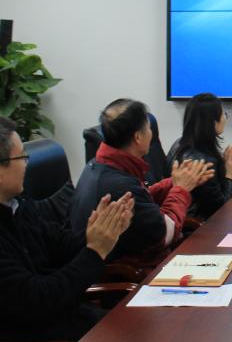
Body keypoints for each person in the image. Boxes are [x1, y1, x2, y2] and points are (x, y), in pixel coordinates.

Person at [0, 113, 134, 342]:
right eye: (22, 157)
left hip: (71, 323)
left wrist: (103, 232)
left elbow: (58, 245)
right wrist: (95, 251)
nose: (27, 164)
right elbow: (40, 302)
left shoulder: (11, 206)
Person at [70, 99, 213, 263]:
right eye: (149, 128)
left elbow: (142, 201)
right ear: (138, 137)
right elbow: (165, 234)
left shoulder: (101, 165)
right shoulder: (120, 186)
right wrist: (181, 190)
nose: (151, 134)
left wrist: (174, 182)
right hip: (132, 270)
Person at [169, 93, 232, 219]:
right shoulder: (204, 162)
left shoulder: (179, 144)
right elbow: (220, 209)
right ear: (213, 122)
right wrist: (229, 173)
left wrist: (224, 166)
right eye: (223, 114)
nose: (225, 118)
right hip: (200, 225)